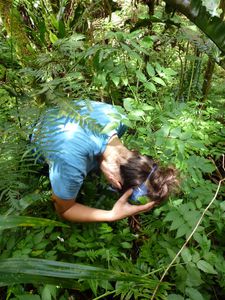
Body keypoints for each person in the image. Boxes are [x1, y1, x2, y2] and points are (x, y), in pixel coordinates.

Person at [32, 100, 178, 223]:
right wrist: (111, 215)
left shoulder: (119, 118)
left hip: (49, 114)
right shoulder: (70, 162)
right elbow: (64, 209)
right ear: (114, 181)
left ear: (135, 155)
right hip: (32, 145)